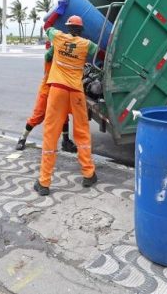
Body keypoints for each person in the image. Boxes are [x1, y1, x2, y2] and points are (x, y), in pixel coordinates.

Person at [34, 13, 98, 196]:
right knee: (82, 132)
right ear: (81, 30)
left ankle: (44, 183)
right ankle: (88, 174)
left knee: (51, 133)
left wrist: (58, 12)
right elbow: (100, 51)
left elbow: (47, 26)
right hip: (76, 92)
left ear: (68, 27)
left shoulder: (58, 37)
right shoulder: (86, 44)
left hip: (57, 91)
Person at [16, 0, 77, 153]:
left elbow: (49, 27)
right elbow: (48, 26)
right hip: (48, 89)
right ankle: (23, 137)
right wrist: (58, 12)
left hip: (59, 88)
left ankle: (65, 141)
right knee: (38, 115)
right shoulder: (49, 56)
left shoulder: (64, 53)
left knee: (64, 115)